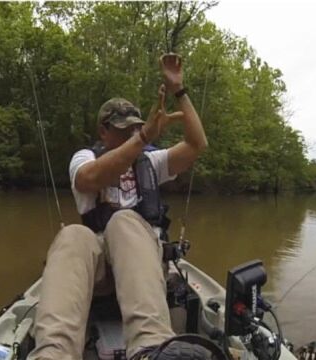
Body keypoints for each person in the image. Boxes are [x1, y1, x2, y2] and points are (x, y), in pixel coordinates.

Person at [27, 53, 210, 360]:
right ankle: (52, 354)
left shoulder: (151, 161)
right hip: (98, 269)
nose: (131, 133)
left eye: (135, 127)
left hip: (144, 265)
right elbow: (88, 180)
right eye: (123, 128)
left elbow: (196, 145)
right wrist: (145, 137)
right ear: (103, 130)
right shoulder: (84, 158)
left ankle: (151, 348)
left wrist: (179, 91)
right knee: (73, 235)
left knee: (124, 221)